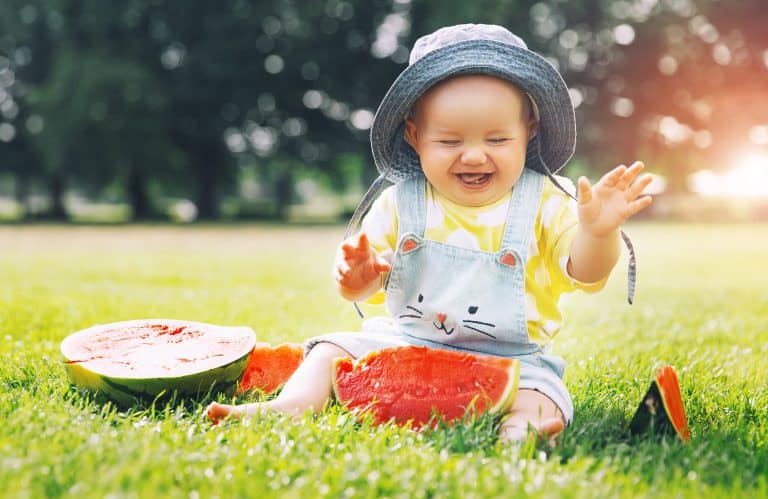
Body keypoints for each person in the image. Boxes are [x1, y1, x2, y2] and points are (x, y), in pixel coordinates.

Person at [207, 24, 653, 443]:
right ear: (415, 136)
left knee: (541, 394)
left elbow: (585, 272)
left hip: (513, 361)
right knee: (328, 351)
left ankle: (521, 432)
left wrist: (597, 234)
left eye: (497, 140)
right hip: (404, 344)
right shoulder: (401, 202)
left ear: (528, 133)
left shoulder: (546, 205)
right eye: (450, 141)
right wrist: (357, 278)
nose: (475, 156)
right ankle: (290, 405)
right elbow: (368, 282)